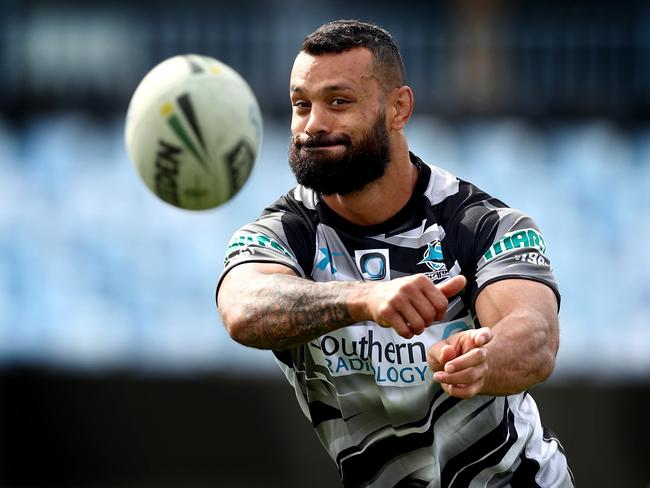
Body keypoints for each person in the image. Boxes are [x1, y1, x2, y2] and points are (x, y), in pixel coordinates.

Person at [217, 19, 574, 488]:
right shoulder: (283, 233)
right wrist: (364, 299)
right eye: (301, 105)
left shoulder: (482, 224)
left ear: (398, 108)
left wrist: (484, 359)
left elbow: (536, 335)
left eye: (338, 102)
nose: (313, 125)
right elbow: (243, 309)